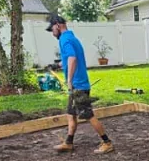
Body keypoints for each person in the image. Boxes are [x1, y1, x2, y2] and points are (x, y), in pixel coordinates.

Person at [47, 15, 113, 153]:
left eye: (52, 29)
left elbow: (72, 58)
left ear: (58, 25)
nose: (52, 33)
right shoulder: (71, 38)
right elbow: (67, 58)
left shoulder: (65, 39)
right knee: (71, 114)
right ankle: (69, 142)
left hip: (78, 85)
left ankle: (107, 142)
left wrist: (69, 81)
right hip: (78, 83)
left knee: (88, 114)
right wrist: (57, 65)